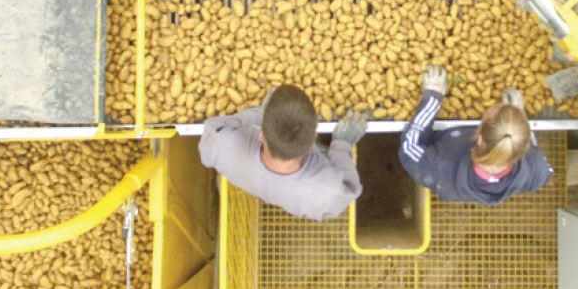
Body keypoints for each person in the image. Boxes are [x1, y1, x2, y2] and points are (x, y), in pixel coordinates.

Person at [200, 85, 368, 221]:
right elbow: (350, 186)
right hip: (304, 191)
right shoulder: (326, 193)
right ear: (313, 140)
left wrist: (261, 113)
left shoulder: (222, 144)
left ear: (261, 134)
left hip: (252, 178)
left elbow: (210, 134)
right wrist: (341, 144)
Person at [398, 65, 552, 204]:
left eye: (491, 113)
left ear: (480, 139)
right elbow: (534, 153)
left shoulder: (439, 167)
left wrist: (432, 98)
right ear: (524, 147)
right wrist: (517, 117)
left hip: (445, 164)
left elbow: (409, 147)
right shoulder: (536, 170)